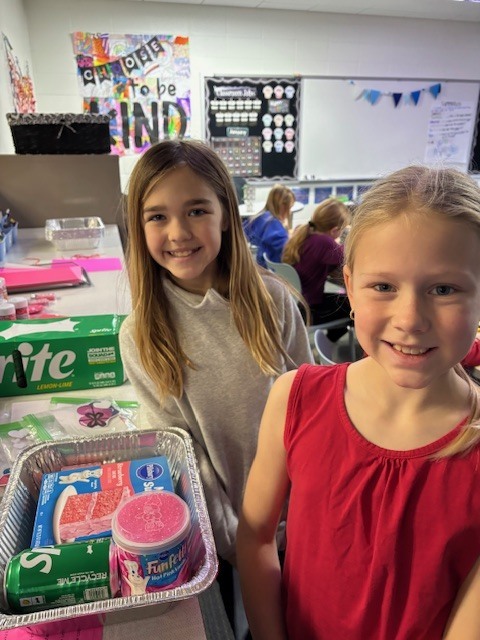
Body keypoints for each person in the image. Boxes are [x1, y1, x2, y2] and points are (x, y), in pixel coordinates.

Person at [237, 165, 480, 640]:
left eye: (444, 289)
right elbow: (257, 535)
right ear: (348, 285)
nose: (410, 319)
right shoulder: (295, 398)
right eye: (384, 286)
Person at [118, 139, 313, 632]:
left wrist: (307, 520)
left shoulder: (273, 302)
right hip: (224, 538)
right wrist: (242, 544)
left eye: (196, 210)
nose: (178, 233)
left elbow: (313, 412)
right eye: (156, 216)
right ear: (138, 229)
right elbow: (184, 456)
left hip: (306, 522)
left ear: (226, 214)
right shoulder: (141, 334)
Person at [282, 197, 351, 341]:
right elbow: (349, 255)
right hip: (312, 311)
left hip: (300, 304)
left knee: (342, 299)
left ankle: (327, 343)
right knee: (355, 309)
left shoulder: (305, 233)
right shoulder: (324, 242)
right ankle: (328, 343)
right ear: (335, 230)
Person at [243, 184, 294, 268]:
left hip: (253, 266)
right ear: (283, 206)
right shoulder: (275, 227)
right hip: (271, 271)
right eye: (290, 207)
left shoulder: (259, 217)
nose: (290, 212)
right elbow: (287, 252)